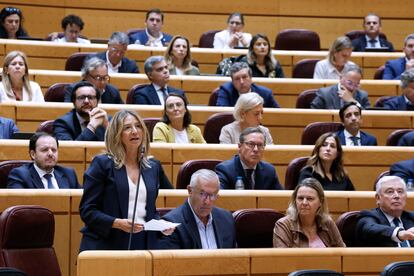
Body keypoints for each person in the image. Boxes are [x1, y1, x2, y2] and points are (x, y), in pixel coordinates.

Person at [79, 109, 173, 251]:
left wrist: (160, 225)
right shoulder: (102, 164)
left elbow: (149, 209)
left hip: (144, 243)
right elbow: (87, 211)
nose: (135, 131)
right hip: (108, 243)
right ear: (116, 134)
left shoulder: (153, 167)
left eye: (138, 126)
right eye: (127, 128)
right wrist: (117, 223)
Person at [159, 169, 236, 249]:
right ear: (190, 191)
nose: (207, 201)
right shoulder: (172, 223)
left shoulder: (226, 219)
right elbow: (171, 261)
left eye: (212, 195)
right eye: (202, 194)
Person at [273, 178, 345, 248]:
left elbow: (343, 255)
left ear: (320, 202)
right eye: (300, 198)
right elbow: (282, 259)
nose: (304, 203)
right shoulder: (283, 225)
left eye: (310, 199)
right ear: (295, 201)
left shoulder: (327, 223)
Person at [216, 127, 282, 190]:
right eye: (251, 144)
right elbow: (221, 199)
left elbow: (280, 198)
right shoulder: (225, 170)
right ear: (240, 147)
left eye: (260, 145)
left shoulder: (269, 171)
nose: (256, 149)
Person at [7, 132, 80, 189]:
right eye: (44, 150)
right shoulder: (20, 175)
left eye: (54, 150)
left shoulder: (69, 174)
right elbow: (18, 204)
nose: (50, 154)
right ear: (33, 154)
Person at [356, 175, 414, 247]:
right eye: (390, 192)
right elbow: (369, 228)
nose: (397, 196)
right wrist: (398, 233)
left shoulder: (411, 217)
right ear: (378, 198)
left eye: (400, 191)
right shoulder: (369, 216)